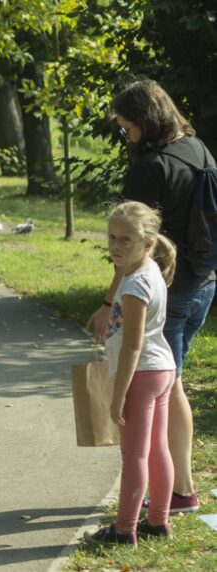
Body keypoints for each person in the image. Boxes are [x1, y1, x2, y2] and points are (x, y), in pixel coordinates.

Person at [86, 79, 216, 514]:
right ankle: (176, 489)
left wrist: (108, 303)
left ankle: (180, 491)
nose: (127, 136)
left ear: (146, 120)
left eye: (127, 127)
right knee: (172, 380)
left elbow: (129, 245)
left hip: (165, 292)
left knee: (169, 383)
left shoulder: (151, 166)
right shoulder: (197, 149)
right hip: (202, 282)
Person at [86, 201, 178, 545]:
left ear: (148, 243)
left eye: (126, 240)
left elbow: (132, 347)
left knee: (135, 455)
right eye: (112, 237)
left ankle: (124, 530)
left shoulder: (136, 285)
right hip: (161, 369)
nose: (116, 246)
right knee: (157, 449)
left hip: (141, 375)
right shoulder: (145, 270)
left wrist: (118, 395)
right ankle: (158, 522)